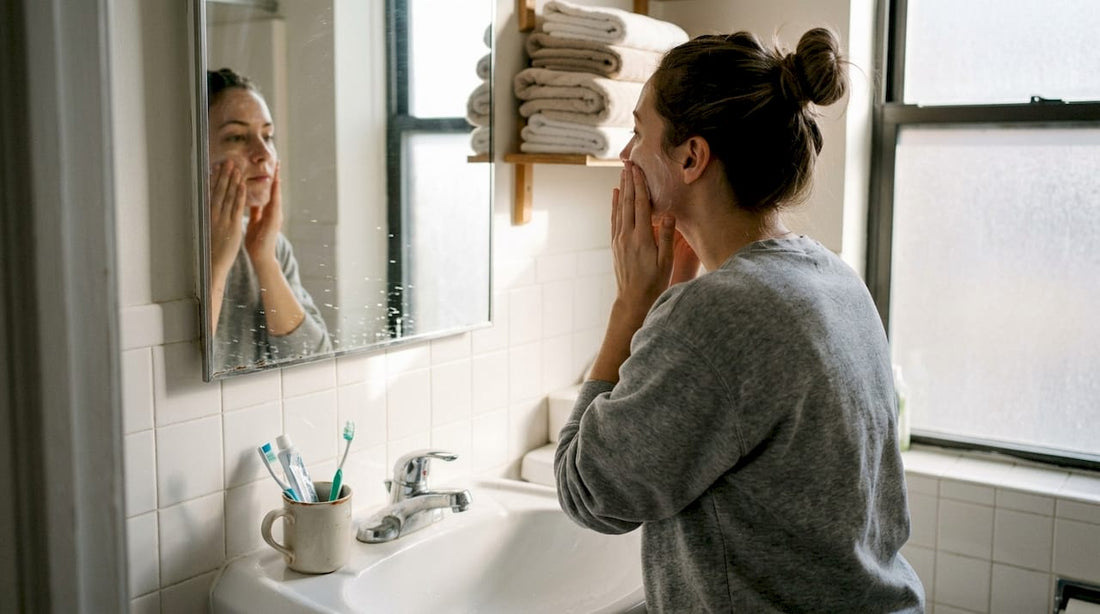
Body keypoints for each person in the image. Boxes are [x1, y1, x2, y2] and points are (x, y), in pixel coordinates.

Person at [554, 28, 925, 612]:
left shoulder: (715, 314)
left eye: (638, 132)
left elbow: (590, 493)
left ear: (691, 156)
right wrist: (674, 291)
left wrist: (631, 306)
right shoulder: (831, 276)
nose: (626, 155)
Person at [207, 68, 331, 371]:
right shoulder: (164, 257)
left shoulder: (272, 247)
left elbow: (316, 366)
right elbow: (177, 375)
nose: (263, 153)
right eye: (237, 137)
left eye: (267, 136)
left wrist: (265, 260)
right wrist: (216, 264)